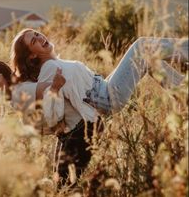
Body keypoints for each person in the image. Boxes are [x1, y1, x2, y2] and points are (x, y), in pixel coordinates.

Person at [11, 29, 188, 184]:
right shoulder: (49, 69)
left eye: (36, 33)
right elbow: (50, 105)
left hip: (104, 86)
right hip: (106, 97)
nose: (40, 37)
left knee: (147, 58)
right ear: (32, 55)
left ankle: (183, 93)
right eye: (34, 40)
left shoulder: (55, 62)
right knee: (141, 47)